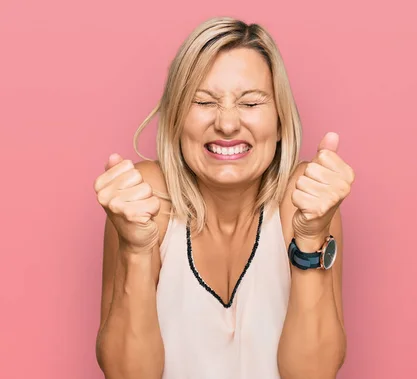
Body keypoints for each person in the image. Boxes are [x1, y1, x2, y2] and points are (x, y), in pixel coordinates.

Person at [93, 16, 355, 379]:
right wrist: (136, 250)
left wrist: (310, 239)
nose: (228, 124)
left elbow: (313, 374)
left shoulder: (304, 197)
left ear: (280, 122)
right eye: (203, 102)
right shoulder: (145, 199)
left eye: (250, 104)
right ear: (176, 120)